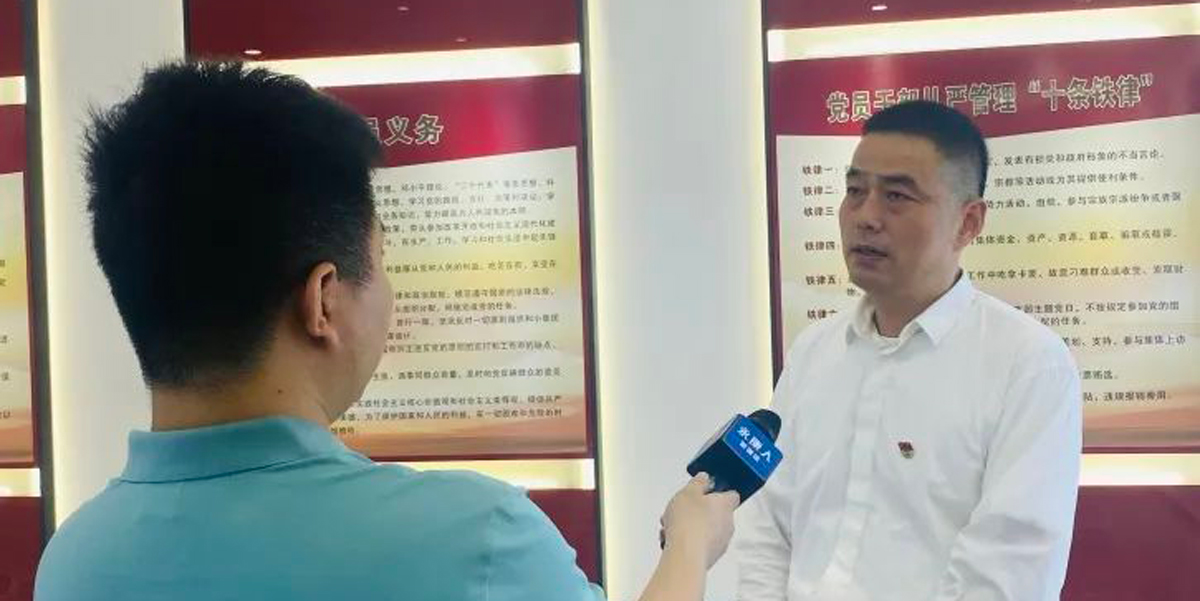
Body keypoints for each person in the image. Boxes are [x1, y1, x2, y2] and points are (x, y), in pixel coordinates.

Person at [33, 61, 738, 601]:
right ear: (323, 300)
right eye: (381, 260)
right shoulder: (477, 538)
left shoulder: (74, 558)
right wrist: (690, 543)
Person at [737, 101, 1082, 601]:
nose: (866, 217)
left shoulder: (1028, 364)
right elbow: (767, 528)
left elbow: (1011, 572)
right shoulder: (814, 351)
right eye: (855, 191)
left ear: (968, 222)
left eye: (896, 196)